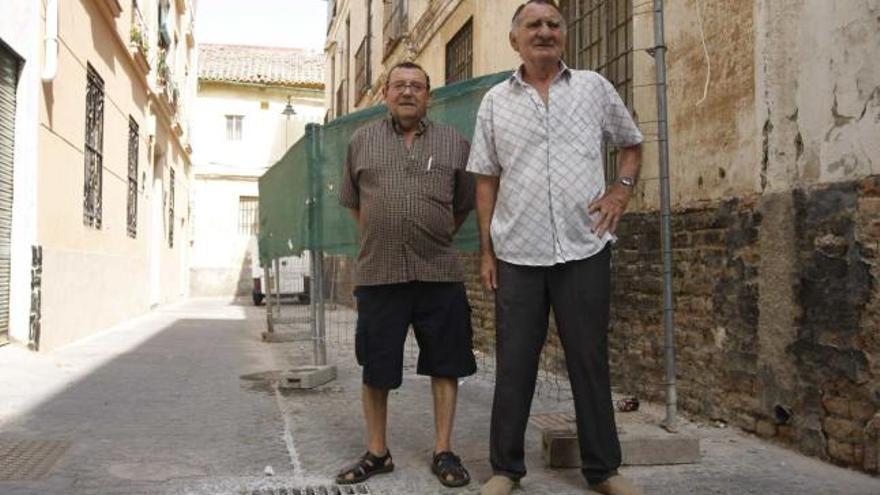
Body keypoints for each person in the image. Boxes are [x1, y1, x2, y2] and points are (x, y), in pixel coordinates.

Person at [466, 2, 645, 494]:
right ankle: (505, 470)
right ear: (514, 40)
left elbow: (632, 143)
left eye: (553, 25)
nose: (544, 32)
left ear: (563, 35)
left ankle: (603, 470)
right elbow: (486, 181)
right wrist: (486, 252)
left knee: (589, 360)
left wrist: (621, 190)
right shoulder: (494, 102)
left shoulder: (593, 88)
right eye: (533, 25)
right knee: (514, 363)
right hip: (517, 253)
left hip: (584, 248)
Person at [336, 61, 476, 488]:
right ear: (386, 93)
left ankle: (444, 450)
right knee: (376, 367)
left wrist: (429, 235)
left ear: (429, 96)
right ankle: (377, 452)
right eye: (400, 85)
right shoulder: (361, 141)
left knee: (446, 364)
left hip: (439, 273)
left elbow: (463, 204)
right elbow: (355, 203)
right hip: (379, 274)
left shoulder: (455, 142)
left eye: (417, 86)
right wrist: (387, 231)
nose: (408, 92)